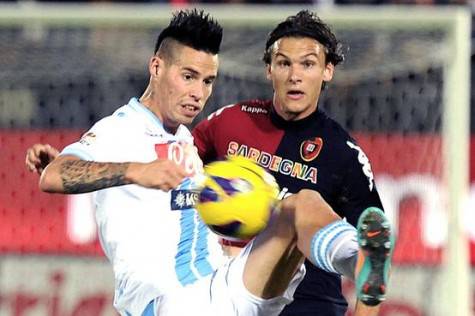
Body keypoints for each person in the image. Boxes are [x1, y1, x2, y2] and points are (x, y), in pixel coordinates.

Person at [25, 9, 393, 316]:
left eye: (207, 81)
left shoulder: (184, 138)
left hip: (219, 288)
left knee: (302, 204)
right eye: (188, 77)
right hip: (168, 304)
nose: (198, 94)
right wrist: (135, 170)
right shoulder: (121, 129)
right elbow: (55, 176)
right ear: (156, 67)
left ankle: (361, 260)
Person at [192, 10, 387, 316]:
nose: (295, 75)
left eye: (308, 64)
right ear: (269, 69)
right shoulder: (229, 122)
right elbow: (179, 173)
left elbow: (376, 256)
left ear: (327, 71)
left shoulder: (343, 153)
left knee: (307, 209)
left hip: (309, 306)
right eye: (284, 63)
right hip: (231, 294)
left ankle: (344, 254)